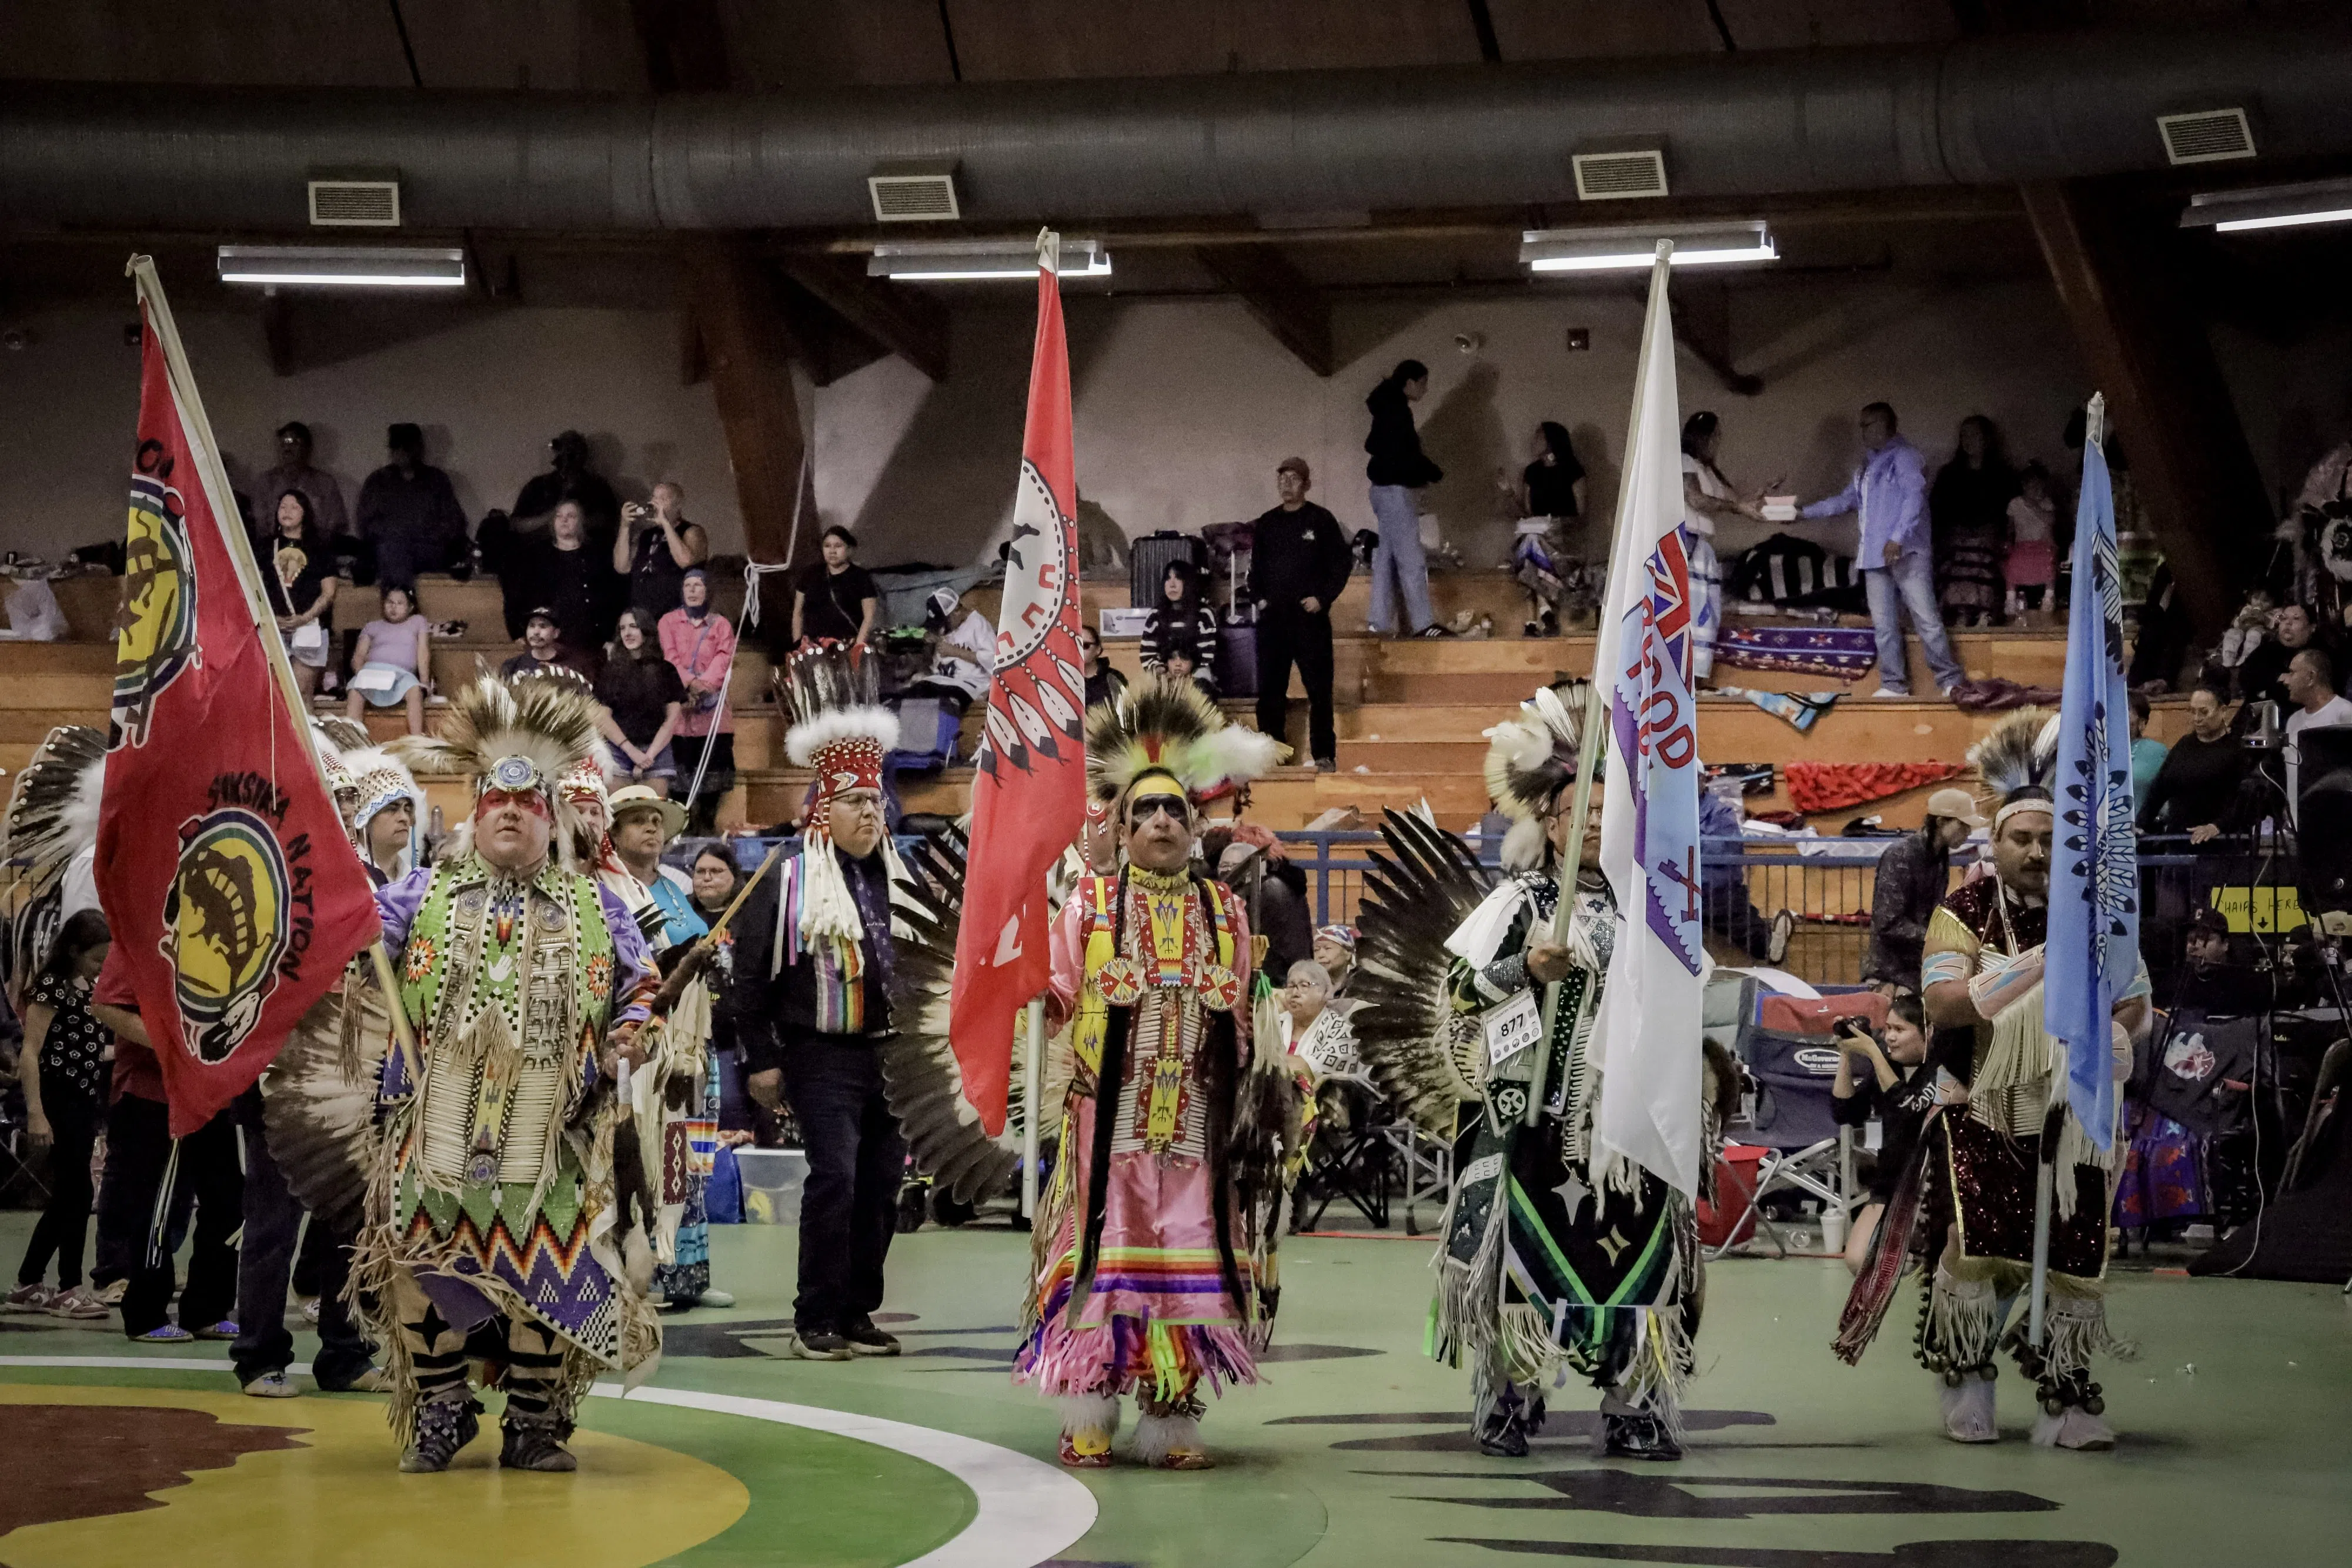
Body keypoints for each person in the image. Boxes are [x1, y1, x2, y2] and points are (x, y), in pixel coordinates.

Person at [1357, 681, 1727, 1460]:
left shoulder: (1657, 910)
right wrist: (1524, 965)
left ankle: (1634, 1403)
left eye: (1603, 813)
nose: (1589, 824)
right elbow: (1460, 990)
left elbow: (1691, 999)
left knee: (1640, 1260)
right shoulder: (1519, 901)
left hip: (1631, 1127)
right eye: (1575, 814)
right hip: (1533, 1118)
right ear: (1549, 825)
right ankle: (1509, 1398)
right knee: (1521, 1269)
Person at [352, 674, 662, 1472]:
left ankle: (531, 1423)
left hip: (546, 1137)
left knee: (549, 1270)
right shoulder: (419, 894)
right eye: (498, 805)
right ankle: (443, 1409)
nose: (513, 816)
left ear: (551, 817)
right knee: (422, 1266)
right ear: (476, 814)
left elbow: (643, 987)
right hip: (434, 1134)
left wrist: (632, 1034)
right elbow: (351, 946)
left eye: (528, 807)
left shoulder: (597, 905)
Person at [1852, 709, 2146, 1451]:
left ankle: (2065, 1402)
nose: (2037, 852)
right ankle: (1968, 1380)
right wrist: (2036, 967)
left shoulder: (2097, 910)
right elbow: (1945, 1001)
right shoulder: (1965, 910)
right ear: (1996, 841)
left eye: (2050, 840)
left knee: (2075, 1260)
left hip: (2073, 1112)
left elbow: (2137, 1000)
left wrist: (2108, 1017)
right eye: (2022, 838)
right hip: (1981, 1102)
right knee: (1976, 1246)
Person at [1020, 676, 1287, 1470]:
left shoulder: (1226, 912)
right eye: (1146, 812)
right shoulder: (1090, 908)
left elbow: (1242, 1014)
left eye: (1176, 810)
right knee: (1100, 1260)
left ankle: (1170, 1413)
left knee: (1187, 1266)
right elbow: (1059, 995)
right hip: (1107, 1126)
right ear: (1122, 825)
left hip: (1196, 1134)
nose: (1163, 822)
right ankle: (1088, 1408)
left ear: (1196, 822)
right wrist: (1037, 992)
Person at [733, 644, 907, 1361]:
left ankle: (859, 1308)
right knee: (834, 1176)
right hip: (820, 1052)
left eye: (876, 800)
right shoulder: (790, 879)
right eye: (855, 802)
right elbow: (749, 979)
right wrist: (764, 1060)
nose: (871, 812)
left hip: (893, 1058)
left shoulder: (902, 879)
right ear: (822, 809)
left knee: (882, 1184)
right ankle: (816, 1317)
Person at [89, 968, 244, 1343]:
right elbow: (105, 1005)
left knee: (228, 1203)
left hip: (214, 1093)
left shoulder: (235, 933)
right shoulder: (141, 931)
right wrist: (174, 1045)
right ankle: (145, 1312)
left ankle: (207, 1309)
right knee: (155, 1207)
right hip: (153, 1093)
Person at [1800, 402, 1965, 700]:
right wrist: (1802, 513)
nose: (1863, 431)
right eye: (1861, 425)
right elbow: (1844, 501)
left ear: (1888, 425)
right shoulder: (1865, 466)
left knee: (1926, 618)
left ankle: (1950, 680)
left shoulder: (1905, 457)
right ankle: (1893, 684)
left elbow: (1915, 497)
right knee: (1884, 625)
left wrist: (1897, 538)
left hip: (1907, 552)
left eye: (1870, 424)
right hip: (1874, 556)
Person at [5, 911, 115, 1320]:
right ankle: (69, 1285)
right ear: (73, 951)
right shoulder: (51, 988)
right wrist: (36, 1112)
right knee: (76, 1193)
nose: (101, 968)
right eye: (95, 960)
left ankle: (30, 1280)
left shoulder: (88, 991)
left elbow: (89, 1048)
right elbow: (31, 1053)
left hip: (84, 1100)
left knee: (73, 1194)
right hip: (57, 1099)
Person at [1830, 992, 1949, 1276]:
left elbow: (1906, 1105)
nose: (1890, 1038)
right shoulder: (1888, 1066)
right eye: (1886, 1030)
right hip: (1888, 1183)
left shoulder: (1939, 1072)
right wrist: (1845, 1054)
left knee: (1909, 1267)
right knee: (1857, 1260)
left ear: (1927, 1033)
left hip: (1927, 1186)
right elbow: (1845, 1112)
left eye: (1900, 1030)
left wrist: (1872, 1051)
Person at [1249, 456, 1354, 770]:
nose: (1287, 484)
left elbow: (1341, 565)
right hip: (1273, 622)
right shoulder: (1267, 523)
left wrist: (1322, 598)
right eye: (1282, 478)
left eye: (1294, 479)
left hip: (1310, 620)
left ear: (1306, 484)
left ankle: (1324, 755)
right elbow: (1255, 572)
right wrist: (1261, 600)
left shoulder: (1321, 520)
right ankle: (1272, 753)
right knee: (1270, 691)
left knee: (1319, 690)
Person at [1863, 788, 1982, 991]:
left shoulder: (1940, 857)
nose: (1968, 832)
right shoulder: (1900, 855)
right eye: (1963, 825)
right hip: (1890, 975)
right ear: (1941, 822)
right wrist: (1941, 938)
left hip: (1918, 971)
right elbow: (1888, 923)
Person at [1364, 359, 1448, 639]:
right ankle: (1423, 623)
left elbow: (1379, 446)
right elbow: (1406, 453)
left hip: (1381, 490)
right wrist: (1433, 472)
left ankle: (1378, 622)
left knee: (1386, 558)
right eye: (1423, 383)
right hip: (1395, 491)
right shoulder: (1398, 411)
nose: (1425, 389)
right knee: (1411, 559)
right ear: (1410, 382)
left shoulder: (1386, 407)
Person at [1681, 412, 1765, 684]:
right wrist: (1737, 506)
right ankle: (1685, 679)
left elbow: (1736, 501)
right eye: (1716, 436)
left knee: (1707, 613)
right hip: (1686, 545)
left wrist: (1763, 499)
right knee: (1692, 613)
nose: (1718, 442)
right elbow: (1696, 500)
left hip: (1702, 549)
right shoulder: (1684, 462)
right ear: (1703, 437)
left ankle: (1697, 679)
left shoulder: (1707, 470)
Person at [659, 568, 739, 835]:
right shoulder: (668, 622)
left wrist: (704, 686)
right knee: (680, 784)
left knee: (712, 784)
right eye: (688, 585)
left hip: (713, 715)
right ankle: (680, 831)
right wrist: (690, 684)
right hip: (680, 716)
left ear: (708, 591)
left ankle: (705, 832)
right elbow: (670, 657)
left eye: (698, 585)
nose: (692, 590)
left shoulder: (721, 625)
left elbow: (723, 658)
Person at [355, 423, 469, 588]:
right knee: (393, 551)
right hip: (390, 548)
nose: (403, 452)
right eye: (398, 447)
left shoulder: (437, 480)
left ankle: (403, 604)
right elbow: (367, 523)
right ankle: (403, 604)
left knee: (403, 553)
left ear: (419, 448)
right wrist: (398, 535)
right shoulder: (378, 481)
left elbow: (453, 522)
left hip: (428, 549)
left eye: (408, 447)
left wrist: (423, 535)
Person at [1930, 416, 2019, 627]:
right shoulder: (1949, 474)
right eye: (1964, 436)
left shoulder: (2004, 474)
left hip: (1990, 535)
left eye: (1974, 435)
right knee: (1959, 553)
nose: (1968, 440)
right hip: (1955, 535)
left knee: (1981, 551)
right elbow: (1938, 510)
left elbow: (2011, 512)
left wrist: (1992, 531)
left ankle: (1985, 610)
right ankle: (1959, 611)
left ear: (1987, 439)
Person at [2137, 683, 2250, 842]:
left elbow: (2245, 801)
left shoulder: (2237, 749)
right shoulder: (2184, 744)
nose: (2197, 719)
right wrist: (2141, 824)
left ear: (2223, 711)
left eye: (2204, 712)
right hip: (2177, 840)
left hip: (2218, 844)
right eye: (2193, 712)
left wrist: (2217, 826)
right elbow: (2159, 789)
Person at [1511, 423, 1591, 637]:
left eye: (1539, 436)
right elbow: (1528, 513)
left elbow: (1581, 513)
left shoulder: (1573, 470)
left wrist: (1555, 523)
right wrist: (1509, 494)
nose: (1534, 440)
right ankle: (1545, 612)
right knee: (1530, 542)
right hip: (1536, 533)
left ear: (1551, 440)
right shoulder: (1532, 472)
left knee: (1529, 547)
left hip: (1561, 537)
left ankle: (1532, 620)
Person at [597, 609, 688, 794]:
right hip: (618, 751)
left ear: (646, 631)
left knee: (653, 814)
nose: (627, 633)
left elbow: (671, 720)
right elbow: (602, 717)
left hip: (656, 752)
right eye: (623, 629)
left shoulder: (666, 671)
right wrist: (632, 752)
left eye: (634, 627)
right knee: (618, 815)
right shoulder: (609, 671)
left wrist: (648, 757)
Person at [266, 490, 339, 701]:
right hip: (273, 626)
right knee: (273, 697)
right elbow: (252, 587)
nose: (287, 511)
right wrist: (270, 618)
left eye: (294, 507)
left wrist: (304, 618)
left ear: (305, 514)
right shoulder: (263, 547)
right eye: (283, 506)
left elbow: (329, 592)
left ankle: (305, 735)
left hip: (309, 626)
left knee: (302, 695)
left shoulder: (320, 548)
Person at [535, 498, 625, 661]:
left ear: (581, 522)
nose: (564, 520)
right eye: (559, 516)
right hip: (557, 643)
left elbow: (613, 596)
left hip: (595, 644)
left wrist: (610, 637)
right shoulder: (542, 557)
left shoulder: (597, 555)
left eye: (571, 516)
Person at [345, 582, 432, 735]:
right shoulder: (372, 626)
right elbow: (358, 656)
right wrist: (362, 675)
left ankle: (418, 741)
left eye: (400, 603)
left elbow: (423, 653)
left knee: (415, 690)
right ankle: (353, 740)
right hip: (372, 671)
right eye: (390, 602)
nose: (394, 607)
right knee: (355, 691)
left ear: (410, 607)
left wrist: (425, 683)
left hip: (402, 676)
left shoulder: (418, 622)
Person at [615, 483, 709, 623]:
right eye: (654, 497)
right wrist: (625, 526)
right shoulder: (645, 535)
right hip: (643, 617)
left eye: (664, 499)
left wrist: (666, 524)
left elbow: (685, 561)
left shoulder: (692, 531)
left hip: (675, 615)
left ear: (678, 506)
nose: (655, 502)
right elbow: (622, 567)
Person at [512, 429, 620, 549]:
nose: (568, 459)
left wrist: (577, 520)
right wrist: (552, 517)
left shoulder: (598, 487)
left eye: (573, 453)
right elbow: (517, 525)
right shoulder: (537, 486)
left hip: (588, 556)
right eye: (565, 451)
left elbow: (611, 522)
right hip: (542, 557)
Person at [2281, 645, 2352, 825]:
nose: (2286, 681)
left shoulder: (2346, 714)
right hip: (2299, 827)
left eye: (2292, 673)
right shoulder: (2293, 721)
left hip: (2339, 828)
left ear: (2311, 677)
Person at [256, 420, 350, 550]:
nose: (287, 448)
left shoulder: (325, 483)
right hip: (274, 554)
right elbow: (261, 525)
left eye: (294, 442)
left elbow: (337, 524)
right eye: (284, 443)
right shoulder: (266, 482)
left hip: (316, 553)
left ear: (307, 447)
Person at [902, 586, 996, 713]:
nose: (942, 627)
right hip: (941, 680)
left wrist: (955, 652)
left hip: (970, 684)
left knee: (944, 702)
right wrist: (930, 644)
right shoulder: (945, 629)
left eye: (944, 622)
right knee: (912, 694)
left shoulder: (978, 623)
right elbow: (930, 664)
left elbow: (993, 660)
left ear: (956, 611)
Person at [341, 745, 425, 887]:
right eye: (392, 809)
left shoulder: (416, 881)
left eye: (407, 809)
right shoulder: (345, 878)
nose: (404, 818)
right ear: (364, 820)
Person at [791, 525, 879, 648]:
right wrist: (797, 643)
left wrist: (858, 648)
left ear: (849, 549)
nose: (832, 551)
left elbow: (869, 617)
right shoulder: (810, 575)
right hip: (813, 648)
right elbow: (798, 612)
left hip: (847, 646)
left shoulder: (860, 577)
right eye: (827, 546)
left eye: (838, 546)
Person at [1141, 559, 1218, 696]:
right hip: (1164, 670)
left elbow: (1207, 655)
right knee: (1147, 691)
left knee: (1202, 686)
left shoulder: (1204, 613)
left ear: (1188, 583)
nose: (1172, 584)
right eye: (1168, 579)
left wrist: (1186, 671)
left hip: (1196, 670)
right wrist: (1162, 670)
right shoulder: (1155, 614)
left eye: (1178, 578)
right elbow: (1147, 653)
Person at [2233, 601, 2320, 711]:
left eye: (2296, 619)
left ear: (2312, 627)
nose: (2288, 623)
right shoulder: (2267, 649)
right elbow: (2245, 676)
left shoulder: (2320, 653)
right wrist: (2278, 677)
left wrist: (2268, 690)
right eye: (2284, 618)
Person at [2006, 462, 2060, 614]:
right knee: (2012, 563)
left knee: (2049, 562)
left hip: (2042, 545)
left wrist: (2035, 507)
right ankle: (2010, 599)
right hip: (2022, 545)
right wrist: (2008, 541)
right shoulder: (2015, 504)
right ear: (2025, 486)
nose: (2038, 491)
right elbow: (2010, 528)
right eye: (2034, 487)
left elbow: (2051, 520)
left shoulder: (2046, 503)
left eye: (2041, 487)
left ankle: (2048, 597)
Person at [501, 606, 598, 683]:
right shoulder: (511, 666)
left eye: (543, 626)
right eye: (532, 626)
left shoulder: (574, 667)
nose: (536, 632)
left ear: (556, 633)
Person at [2128, 693, 2167, 811]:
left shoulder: (2156, 752)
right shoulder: (2095, 750)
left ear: (2142, 723)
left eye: (2126, 711)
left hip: (2141, 827)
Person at [1078, 622, 1127, 712]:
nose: (1079, 649)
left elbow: (1126, 712)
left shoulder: (1114, 677)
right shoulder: (1064, 679)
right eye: (1076, 644)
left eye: (1085, 645)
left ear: (1098, 649)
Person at [1312, 924, 1356, 996]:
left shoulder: (1360, 989)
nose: (1320, 955)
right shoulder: (1308, 989)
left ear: (1348, 954)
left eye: (1328, 948)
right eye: (1316, 950)